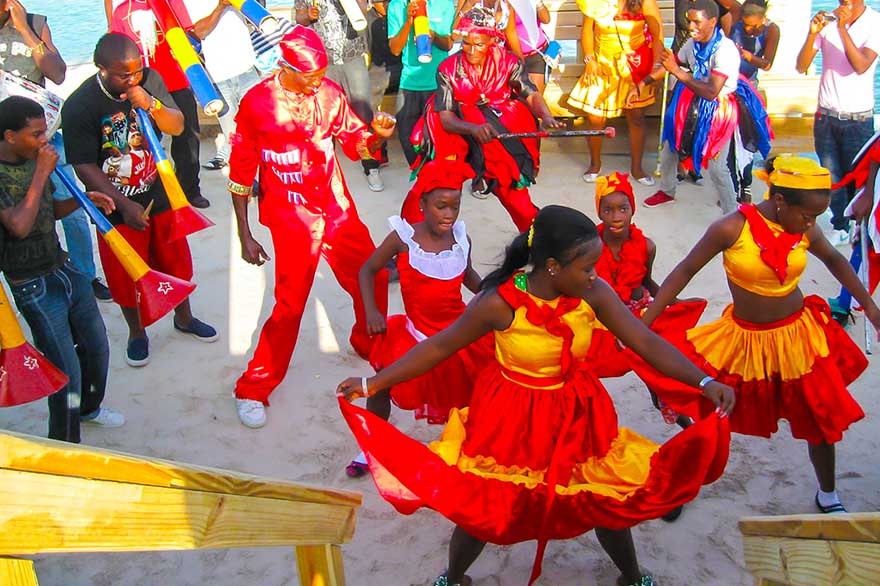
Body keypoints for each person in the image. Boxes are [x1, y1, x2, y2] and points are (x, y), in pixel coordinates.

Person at [338, 205, 736, 586]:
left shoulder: (593, 293)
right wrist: (374, 384)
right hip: (511, 417)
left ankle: (630, 576)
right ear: (552, 267)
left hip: (577, 413)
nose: (594, 275)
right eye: (586, 267)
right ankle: (454, 577)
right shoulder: (499, 303)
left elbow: (644, 341)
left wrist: (702, 382)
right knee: (486, 504)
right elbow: (439, 347)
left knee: (599, 495)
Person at [642, 155, 877, 514]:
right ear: (780, 201)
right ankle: (683, 486)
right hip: (743, 340)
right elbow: (683, 271)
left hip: (797, 337)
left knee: (817, 417)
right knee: (712, 413)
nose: (812, 224)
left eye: (816, 217)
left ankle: (828, 494)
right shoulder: (731, 228)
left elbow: (835, 260)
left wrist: (872, 309)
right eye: (808, 216)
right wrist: (645, 324)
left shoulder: (804, 228)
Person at [227, 27, 395, 429]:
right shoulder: (256, 103)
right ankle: (253, 387)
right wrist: (245, 234)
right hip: (291, 217)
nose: (320, 82)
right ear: (285, 68)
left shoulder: (329, 94)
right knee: (290, 306)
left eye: (322, 74)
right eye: (311, 76)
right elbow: (240, 174)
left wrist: (376, 137)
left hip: (336, 208)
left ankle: (365, 342)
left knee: (370, 276)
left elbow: (355, 144)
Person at [62, 33, 217, 368]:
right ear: (101, 68)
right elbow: (84, 164)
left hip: (160, 190)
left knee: (175, 260)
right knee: (125, 272)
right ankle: (137, 333)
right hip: (113, 203)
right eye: (123, 74)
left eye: (136, 70)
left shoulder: (150, 81)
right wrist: (122, 203)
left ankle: (184, 318)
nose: (132, 78)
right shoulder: (79, 104)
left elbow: (176, 127)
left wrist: (151, 102)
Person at [345, 158, 493, 477]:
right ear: (423, 204)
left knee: (470, 395)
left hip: (456, 336)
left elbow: (467, 275)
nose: (449, 215)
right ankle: (370, 446)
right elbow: (368, 270)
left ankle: (467, 448)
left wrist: (492, 295)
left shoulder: (461, 239)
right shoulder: (404, 238)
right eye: (441, 206)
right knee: (381, 386)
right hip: (413, 335)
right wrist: (373, 311)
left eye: (455, 206)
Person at [0, 96, 125, 442]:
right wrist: (42, 171)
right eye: (35, 134)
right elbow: (19, 225)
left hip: (62, 266)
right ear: (10, 136)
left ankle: (88, 410)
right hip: (33, 285)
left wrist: (84, 199)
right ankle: (65, 445)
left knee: (97, 346)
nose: (44, 141)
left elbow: (46, 209)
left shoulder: (31, 159)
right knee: (63, 372)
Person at [403, 8, 563, 232]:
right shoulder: (448, 69)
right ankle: (411, 240)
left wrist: (545, 116)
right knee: (434, 188)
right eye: (467, 43)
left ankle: (538, 243)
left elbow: (531, 93)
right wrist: (472, 127)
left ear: (492, 41)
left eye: (479, 44)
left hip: (495, 132)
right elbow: (446, 118)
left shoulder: (509, 63)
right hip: (454, 133)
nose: (471, 50)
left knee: (515, 197)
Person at [0, 0, 113, 301]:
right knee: (16, 217)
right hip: (5, 147)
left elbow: (58, 73)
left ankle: (85, 277)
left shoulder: (34, 23)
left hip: (44, 137)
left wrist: (24, 29)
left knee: (72, 210)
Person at [590, 172, 703, 433]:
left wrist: (675, 301)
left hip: (640, 317)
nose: (616, 217)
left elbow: (647, 282)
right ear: (599, 212)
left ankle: (687, 426)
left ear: (632, 210)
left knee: (658, 375)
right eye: (607, 210)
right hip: (602, 319)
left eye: (622, 209)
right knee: (585, 372)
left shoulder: (647, 247)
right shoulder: (589, 247)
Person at [644, 0, 771, 214]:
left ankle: (731, 212)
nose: (691, 27)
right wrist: (644, 82)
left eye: (696, 22)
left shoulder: (725, 50)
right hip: (690, 101)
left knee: (718, 167)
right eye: (689, 21)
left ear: (713, 21)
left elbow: (711, 91)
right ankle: (667, 191)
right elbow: (673, 63)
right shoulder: (693, 43)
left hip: (717, 109)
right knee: (670, 148)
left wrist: (677, 71)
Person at [106, 0, 211, 209]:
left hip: (176, 80)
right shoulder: (122, 11)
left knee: (188, 137)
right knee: (146, 140)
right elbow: (116, 49)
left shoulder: (171, 3)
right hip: (143, 84)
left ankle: (190, 189)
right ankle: (156, 191)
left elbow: (189, 34)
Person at [796, 0, 880, 246]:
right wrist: (812, 35)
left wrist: (842, 29)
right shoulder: (828, 22)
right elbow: (801, 66)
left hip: (858, 118)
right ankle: (840, 225)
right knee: (831, 178)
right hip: (825, 116)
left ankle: (860, 227)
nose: (844, 3)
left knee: (860, 178)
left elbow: (861, 65)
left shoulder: (874, 22)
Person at [567, 0, 664, 185]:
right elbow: (587, 30)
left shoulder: (646, 2)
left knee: (636, 117)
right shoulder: (594, 3)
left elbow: (657, 35)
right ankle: (595, 164)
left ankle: (637, 168)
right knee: (595, 119)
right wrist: (590, 60)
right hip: (602, 66)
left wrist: (656, 70)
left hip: (635, 68)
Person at [294, 0, 385, 192]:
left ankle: (371, 167)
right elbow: (299, 18)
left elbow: (363, 15)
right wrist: (308, 15)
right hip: (323, 61)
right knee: (323, 119)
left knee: (363, 115)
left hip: (353, 57)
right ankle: (325, 172)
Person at [183, 0, 260, 171]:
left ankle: (265, 177)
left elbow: (257, 15)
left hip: (247, 70)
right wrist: (221, 6)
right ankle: (246, 182)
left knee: (260, 127)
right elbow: (199, 32)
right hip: (219, 77)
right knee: (233, 136)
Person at [387, 0, 454, 167]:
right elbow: (395, 49)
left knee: (438, 138)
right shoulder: (397, 6)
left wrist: (433, 36)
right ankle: (421, 175)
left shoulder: (443, 4)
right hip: (409, 83)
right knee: (406, 136)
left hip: (438, 84)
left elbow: (448, 44)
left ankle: (435, 179)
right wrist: (409, 22)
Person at [729, 0, 779, 202]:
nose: (748, 29)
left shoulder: (772, 30)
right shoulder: (736, 25)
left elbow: (767, 63)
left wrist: (748, 56)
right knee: (730, 140)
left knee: (747, 138)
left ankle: (745, 185)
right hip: (730, 84)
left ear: (761, 20)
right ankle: (732, 186)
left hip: (749, 87)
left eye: (752, 26)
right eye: (745, 24)